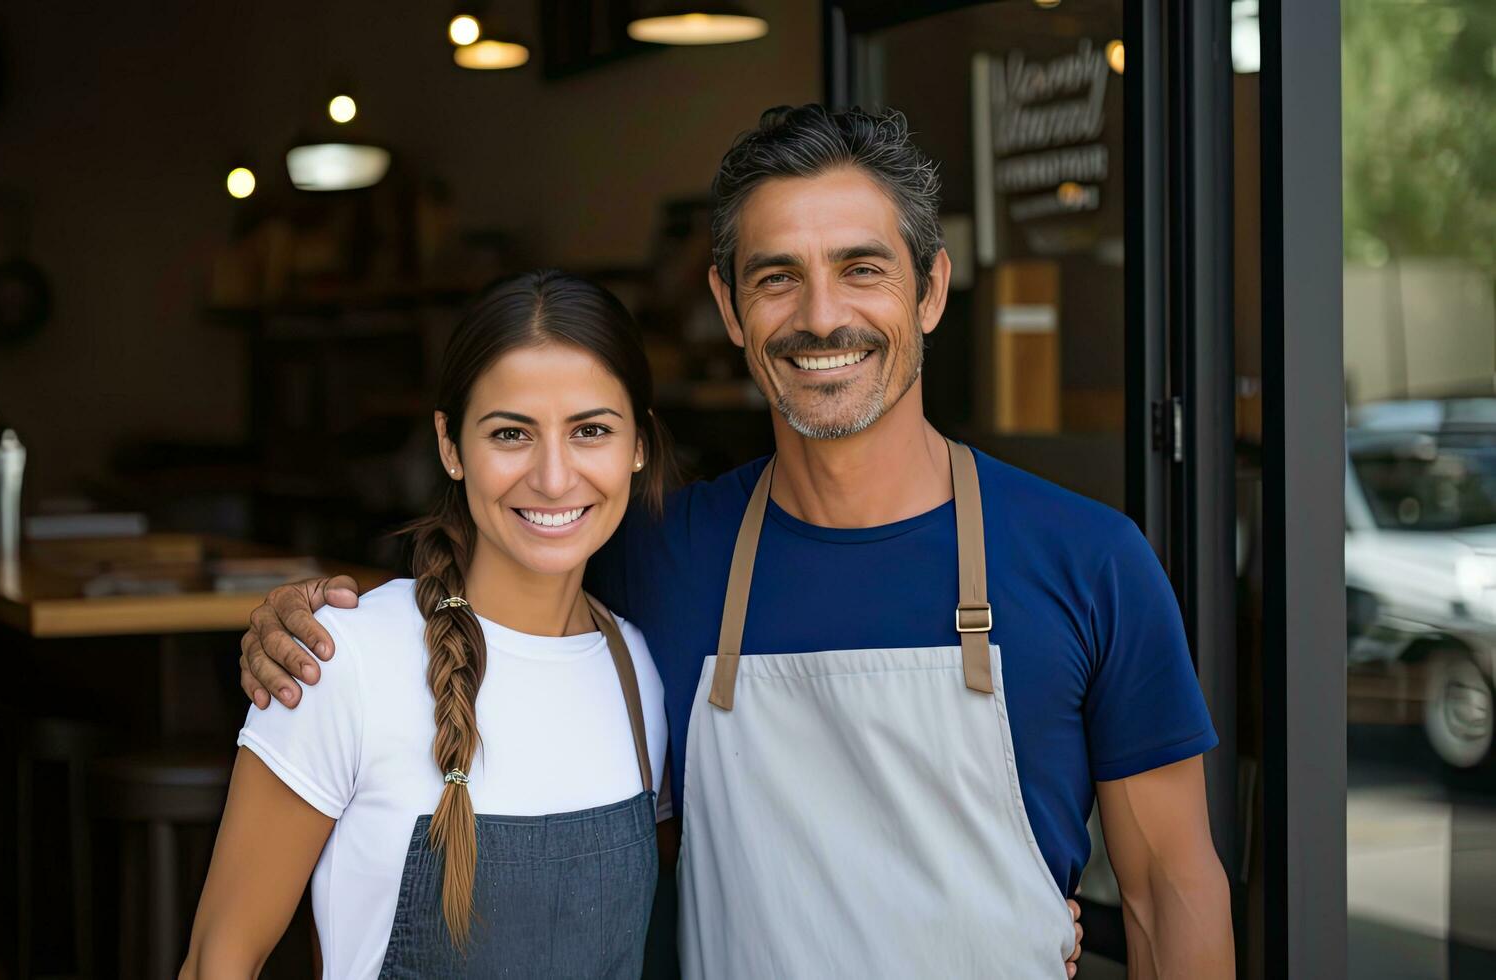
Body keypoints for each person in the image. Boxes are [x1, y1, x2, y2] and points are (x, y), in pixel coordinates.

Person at [241, 105, 1220, 977]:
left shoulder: (1090, 562)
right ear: (729, 307)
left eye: (861, 268)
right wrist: (313, 624)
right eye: (778, 277)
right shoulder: (657, 555)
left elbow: (1170, 891)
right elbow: (482, 594)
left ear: (930, 289)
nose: (822, 314)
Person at [182, 271, 677, 978]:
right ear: (450, 445)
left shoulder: (640, 678)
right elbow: (217, 961)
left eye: (590, 430)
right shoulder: (341, 660)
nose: (554, 476)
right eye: (511, 433)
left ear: (638, 444)